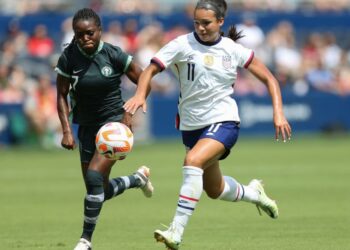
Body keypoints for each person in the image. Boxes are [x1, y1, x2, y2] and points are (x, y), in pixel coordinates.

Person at [124, 0, 292, 249]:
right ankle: (254, 193)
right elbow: (149, 70)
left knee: (192, 162)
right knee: (214, 189)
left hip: (224, 120)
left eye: (206, 23)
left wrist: (278, 113)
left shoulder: (232, 50)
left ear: (220, 22)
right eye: (197, 22)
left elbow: (269, 78)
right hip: (191, 126)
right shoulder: (181, 44)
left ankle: (176, 232)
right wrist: (140, 94)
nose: (200, 28)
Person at [54, 8, 154, 250]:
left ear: (99, 31)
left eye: (89, 33)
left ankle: (85, 240)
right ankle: (136, 179)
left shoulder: (113, 54)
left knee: (94, 178)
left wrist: (129, 112)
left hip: (113, 127)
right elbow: (61, 94)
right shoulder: (68, 57)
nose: (85, 38)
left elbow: (143, 79)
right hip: (86, 126)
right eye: (79, 35)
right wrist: (66, 131)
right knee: (98, 190)